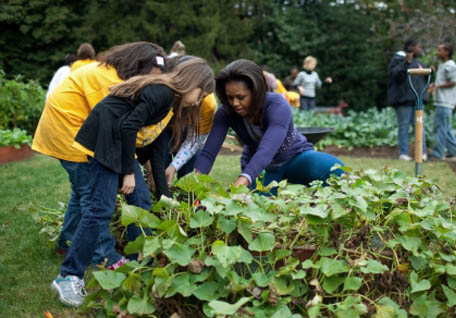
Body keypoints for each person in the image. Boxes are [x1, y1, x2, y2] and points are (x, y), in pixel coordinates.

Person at [51, 58, 215, 307]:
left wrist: (164, 194)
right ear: (192, 83)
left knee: (140, 199)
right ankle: (68, 275)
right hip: (105, 141)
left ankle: (141, 263)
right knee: (100, 209)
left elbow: (158, 154)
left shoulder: (170, 106)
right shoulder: (163, 92)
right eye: (202, 93)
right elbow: (128, 126)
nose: (200, 100)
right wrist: (128, 171)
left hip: (119, 145)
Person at [33, 42, 167, 269]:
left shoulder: (116, 74)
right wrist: (127, 169)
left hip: (79, 130)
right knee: (93, 198)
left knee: (80, 192)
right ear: (138, 66)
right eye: (149, 77)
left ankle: (66, 243)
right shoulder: (108, 80)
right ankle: (107, 257)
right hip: (71, 132)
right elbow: (113, 127)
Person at [194, 59, 343, 193]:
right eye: (230, 97)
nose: (234, 103)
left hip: (295, 157)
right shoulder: (225, 112)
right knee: (242, 203)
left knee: (336, 171)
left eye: (241, 97)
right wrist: (195, 182)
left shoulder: (277, 105)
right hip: (263, 169)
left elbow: (267, 149)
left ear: (256, 92)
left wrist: (244, 178)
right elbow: (209, 153)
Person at [138, 55, 218, 198]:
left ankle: (185, 205)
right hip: (162, 129)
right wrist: (151, 169)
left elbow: (197, 140)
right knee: (159, 169)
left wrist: (174, 167)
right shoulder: (164, 95)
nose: (198, 101)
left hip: (190, 133)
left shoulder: (208, 103)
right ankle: (156, 202)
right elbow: (146, 137)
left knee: (188, 173)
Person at [387, 39, 428, 161]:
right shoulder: (398, 60)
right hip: (403, 101)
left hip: (417, 100)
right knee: (404, 126)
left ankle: (421, 153)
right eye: (418, 47)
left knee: (419, 126)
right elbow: (395, 76)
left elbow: (425, 80)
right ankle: (404, 153)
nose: (420, 49)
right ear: (411, 48)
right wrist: (406, 62)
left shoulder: (419, 63)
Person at [428, 43, 456, 159]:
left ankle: (439, 153)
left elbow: (453, 82)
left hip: (446, 102)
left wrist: (437, 87)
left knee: (440, 127)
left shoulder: (451, 65)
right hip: (440, 101)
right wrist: (435, 84)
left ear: (447, 52)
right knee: (445, 127)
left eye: (439, 50)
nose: (437, 52)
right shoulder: (442, 64)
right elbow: (443, 81)